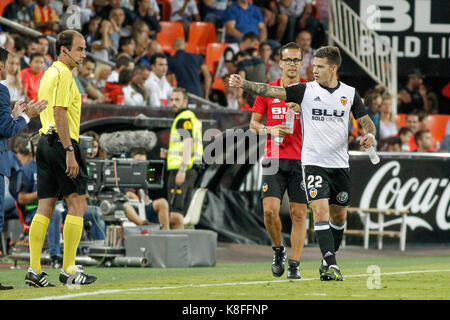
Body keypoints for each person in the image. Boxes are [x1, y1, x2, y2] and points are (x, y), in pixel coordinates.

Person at [230, 46, 377, 281]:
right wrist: (243, 84)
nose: (313, 69)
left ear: (333, 68)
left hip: (336, 163)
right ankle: (310, 259)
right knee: (303, 212)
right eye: (313, 65)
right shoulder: (303, 91)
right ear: (280, 63)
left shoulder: (348, 93)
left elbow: (367, 122)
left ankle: (313, 261)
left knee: (335, 217)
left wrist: (370, 135)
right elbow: (265, 92)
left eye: (318, 66)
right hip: (301, 161)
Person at [25, 30, 97, 288]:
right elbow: (59, 112)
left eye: (84, 48)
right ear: (64, 50)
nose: (84, 54)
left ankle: (34, 269)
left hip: (43, 143)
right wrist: (69, 150)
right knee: (78, 205)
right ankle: (69, 269)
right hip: (61, 144)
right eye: (80, 48)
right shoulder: (65, 74)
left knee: (45, 207)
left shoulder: (48, 73)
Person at [250, 42, 308, 279]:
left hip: (302, 159)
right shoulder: (268, 90)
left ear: (301, 63)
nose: (292, 64)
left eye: (296, 60)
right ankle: (278, 250)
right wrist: (269, 130)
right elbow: (253, 125)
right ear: (280, 63)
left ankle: (295, 264)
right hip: (273, 158)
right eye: (288, 60)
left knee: (299, 214)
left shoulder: (310, 91)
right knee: (270, 212)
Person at [0, 47, 48, 290]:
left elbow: (3, 124)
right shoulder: (1, 89)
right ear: (1, 65)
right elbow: (6, 131)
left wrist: (12, 115)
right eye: (7, 64)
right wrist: (27, 116)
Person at [12, 136, 64, 268]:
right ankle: (55, 256)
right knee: (55, 214)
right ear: (32, 148)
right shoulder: (26, 170)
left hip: (59, 205)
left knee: (93, 212)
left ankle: (92, 254)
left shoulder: (55, 165)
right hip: (35, 210)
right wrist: (43, 193)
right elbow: (21, 198)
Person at [160, 88, 203, 217]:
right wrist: (169, 154)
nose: (173, 103)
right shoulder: (190, 118)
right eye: (171, 100)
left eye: (177, 100)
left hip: (182, 171)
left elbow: (188, 143)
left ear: (185, 102)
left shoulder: (183, 119)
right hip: (190, 170)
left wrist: (182, 170)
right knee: (183, 213)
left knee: (175, 214)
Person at [123, 149, 184, 229]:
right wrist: (137, 199)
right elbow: (129, 195)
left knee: (178, 218)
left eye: (143, 162)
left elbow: (146, 197)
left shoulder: (145, 176)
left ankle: (174, 240)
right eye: (138, 162)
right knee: (162, 202)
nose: (141, 165)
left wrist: (146, 200)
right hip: (134, 210)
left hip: (145, 208)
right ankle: (165, 237)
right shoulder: (126, 174)